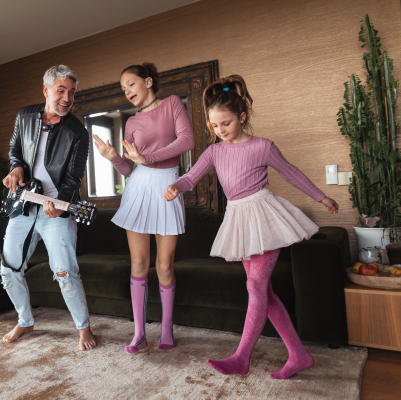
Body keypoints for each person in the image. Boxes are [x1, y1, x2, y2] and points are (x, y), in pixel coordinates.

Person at [163, 75, 339, 379]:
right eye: (215, 126)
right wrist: (175, 187)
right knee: (265, 293)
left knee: (255, 286)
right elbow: (190, 178)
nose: (220, 131)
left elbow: (292, 174)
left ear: (242, 117)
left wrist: (321, 196)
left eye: (226, 124)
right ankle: (299, 355)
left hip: (264, 216)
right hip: (238, 219)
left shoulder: (263, 146)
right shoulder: (215, 151)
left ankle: (241, 357)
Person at [93, 63, 194, 354]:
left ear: (148, 81)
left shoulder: (172, 104)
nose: (127, 92)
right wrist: (113, 157)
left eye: (131, 85)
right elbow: (129, 168)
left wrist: (146, 158)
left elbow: (187, 140)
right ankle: (138, 333)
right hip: (138, 188)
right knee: (138, 263)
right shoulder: (131, 122)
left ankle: (166, 329)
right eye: (124, 89)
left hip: (167, 188)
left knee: (164, 265)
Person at [0, 65, 96, 351]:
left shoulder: (78, 132)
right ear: (46, 91)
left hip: (56, 208)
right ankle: (25, 320)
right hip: (24, 205)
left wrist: (60, 204)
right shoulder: (25, 116)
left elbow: (72, 177)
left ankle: (83, 328)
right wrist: (16, 168)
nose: (67, 98)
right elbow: (15, 150)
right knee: (7, 270)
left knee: (65, 271)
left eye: (72, 92)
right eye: (61, 90)